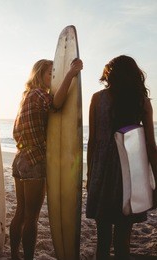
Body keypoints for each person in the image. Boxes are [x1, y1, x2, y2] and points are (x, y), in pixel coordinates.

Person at [10, 58, 83, 259]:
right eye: (50, 73)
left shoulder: (26, 96)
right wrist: (71, 74)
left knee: (20, 212)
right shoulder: (39, 94)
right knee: (31, 217)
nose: (53, 77)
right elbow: (57, 103)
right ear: (39, 75)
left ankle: (14, 255)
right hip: (35, 161)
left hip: (20, 159)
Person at [86, 55, 157, 260]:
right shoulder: (142, 102)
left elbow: (92, 141)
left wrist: (90, 174)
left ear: (110, 74)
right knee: (123, 242)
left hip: (103, 172)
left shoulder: (98, 99)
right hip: (131, 171)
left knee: (103, 241)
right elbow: (151, 146)